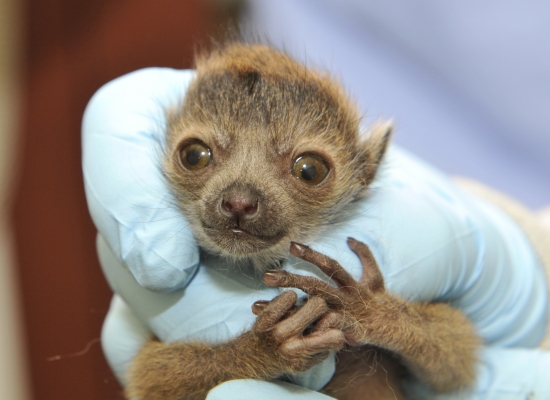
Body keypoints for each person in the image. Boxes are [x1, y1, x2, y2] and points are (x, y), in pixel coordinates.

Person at [83, 66, 550, 399]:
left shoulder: (380, 270)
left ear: (365, 173)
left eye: (307, 171)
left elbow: (456, 368)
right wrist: (253, 353)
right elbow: (150, 384)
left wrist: (383, 318)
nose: (240, 198)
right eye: (198, 156)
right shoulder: (165, 265)